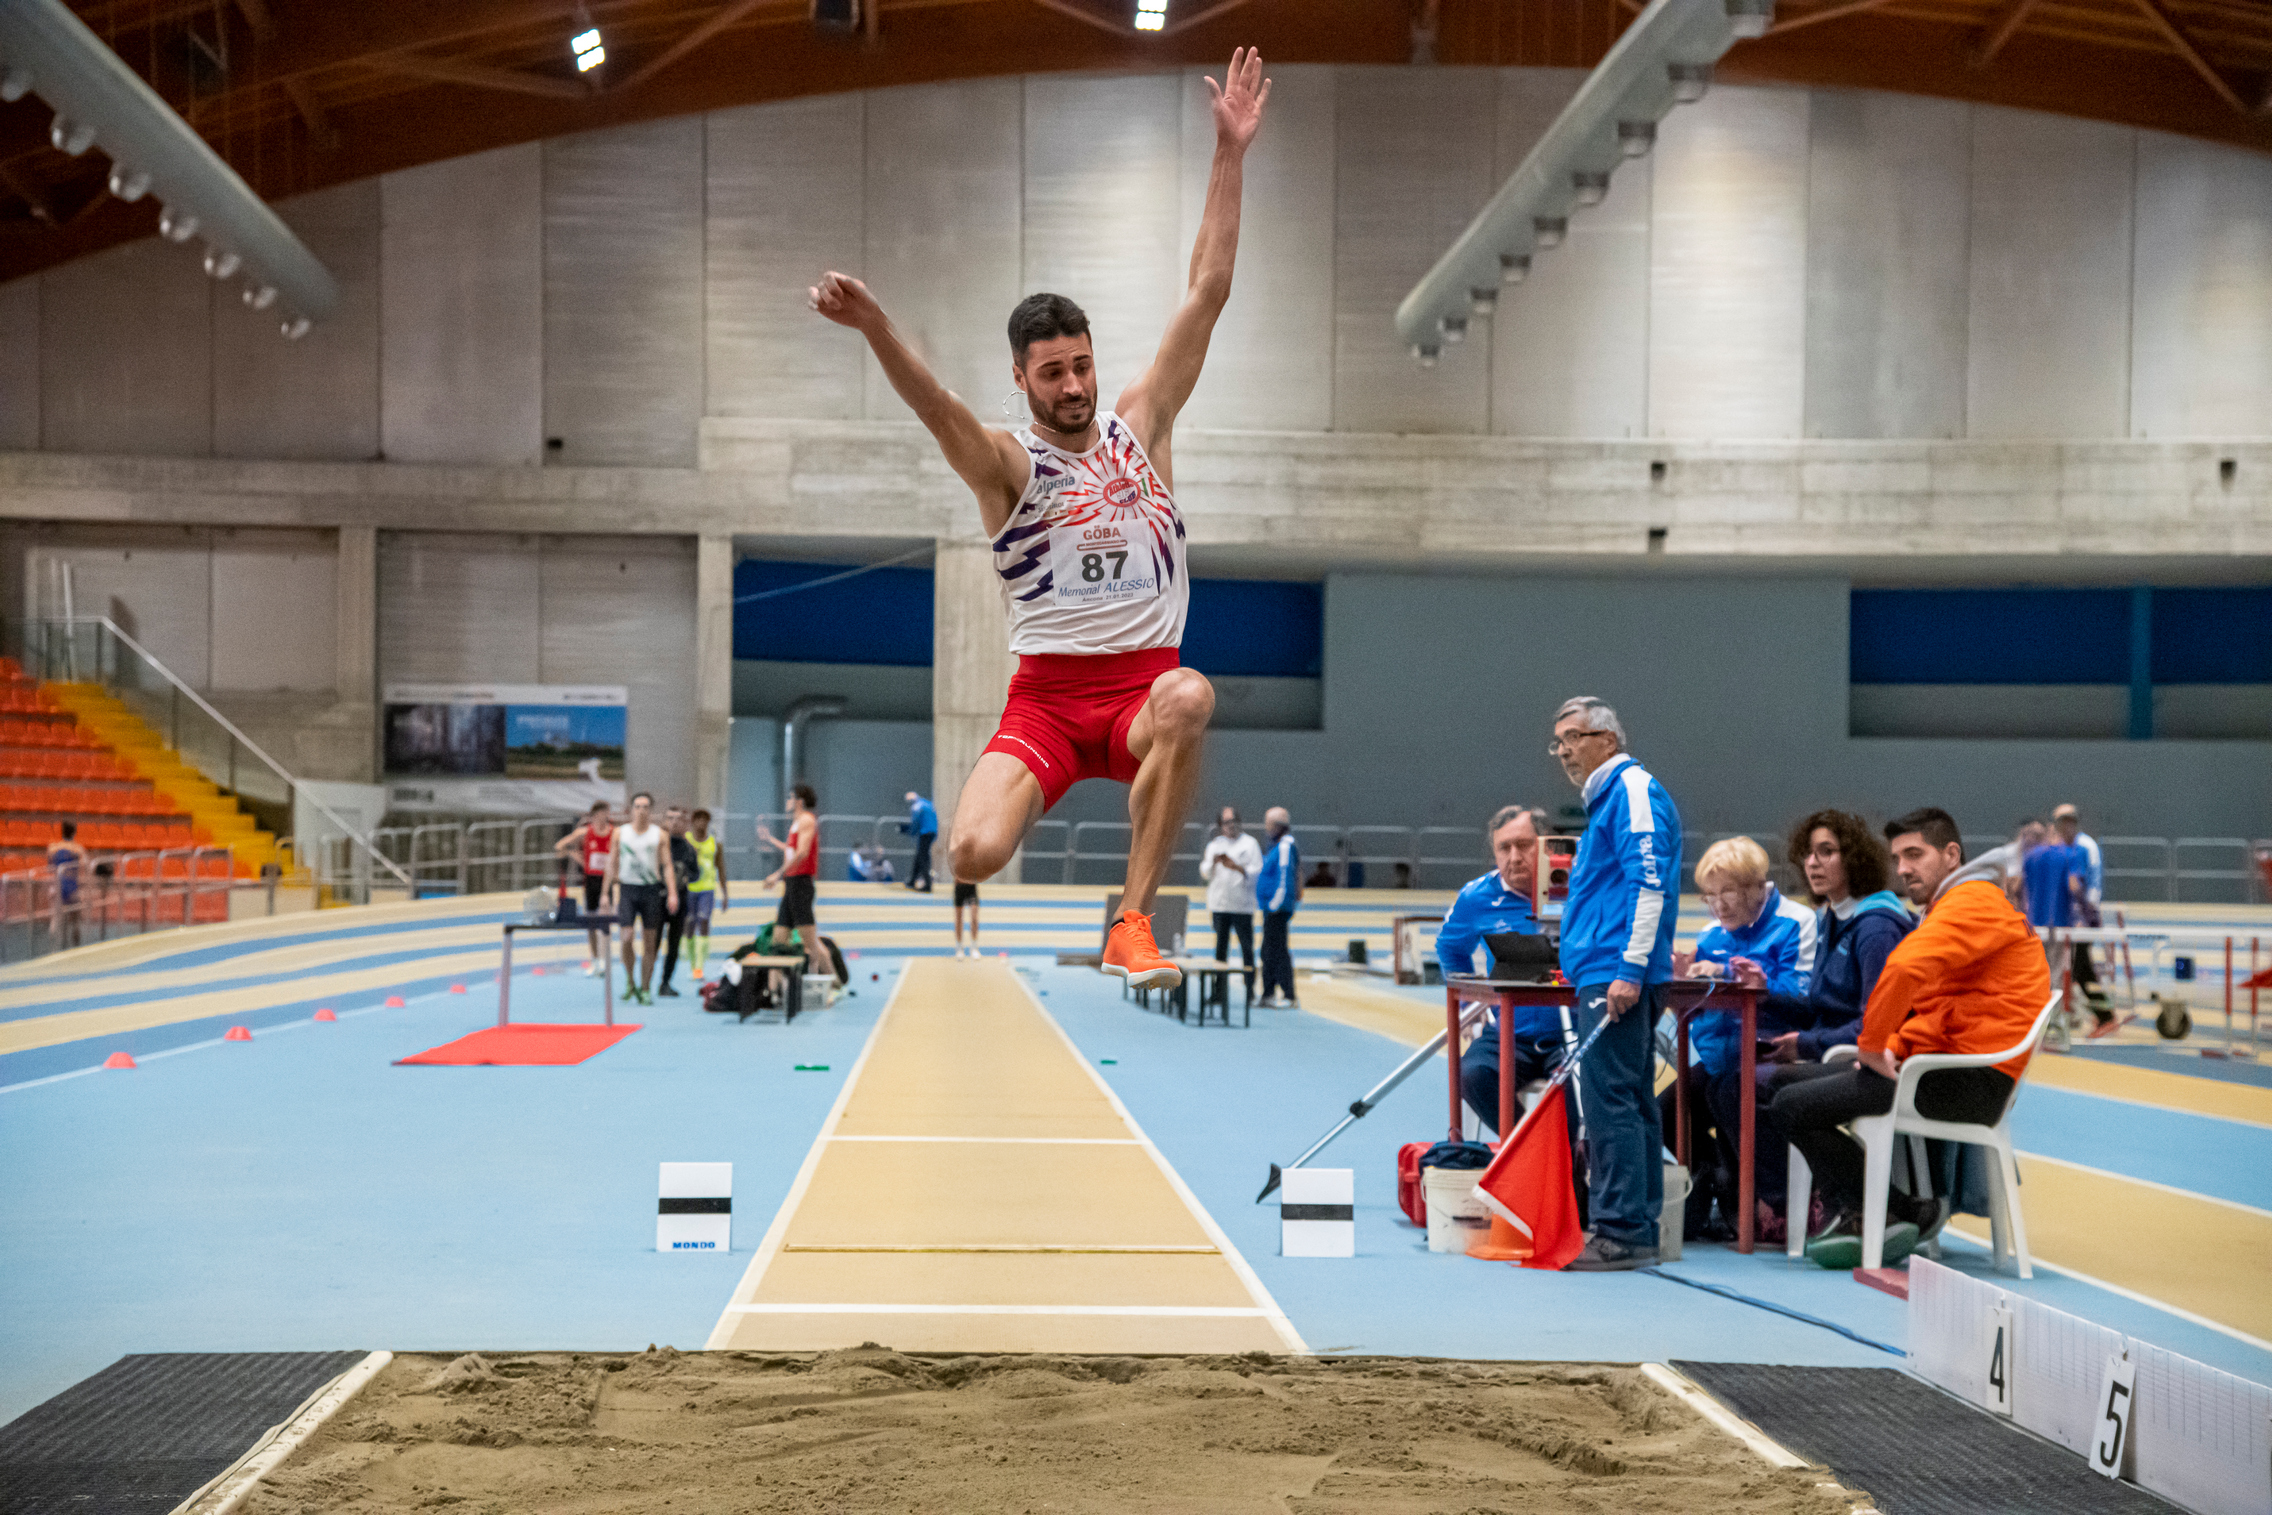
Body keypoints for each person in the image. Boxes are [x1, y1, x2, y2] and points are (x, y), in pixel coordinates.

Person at [808, 48, 1272, 993]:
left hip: (1141, 690)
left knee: (1190, 696)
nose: (1073, 385)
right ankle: (1039, 807)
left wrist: (1229, 153)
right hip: (1048, 705)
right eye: (1052, 372)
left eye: (1082, 365)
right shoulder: (1007, 467)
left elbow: (1208, 290)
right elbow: (934, 405)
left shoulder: (1144, 425)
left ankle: (1132, 922)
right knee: (970, 854)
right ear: (1021, 377)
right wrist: (876, 328)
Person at [1772, 807, 2051, 1269]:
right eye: (1898, 858)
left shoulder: (1971, 902)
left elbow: (1903, 969)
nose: (1903, 868)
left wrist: (1870, 1048)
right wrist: (1892, 1048)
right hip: (1944, 1067)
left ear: (1951, 855)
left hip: (1966, 1081)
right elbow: (1937, 1008)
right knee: (1783, 1083)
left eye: (1915, 855)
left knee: (1789, 1104)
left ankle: (1880, 1212)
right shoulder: (1957, 904)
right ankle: (1894, 1210)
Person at [1549, 696, 1682, 1272]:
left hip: (1616, 972)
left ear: (1608, 739)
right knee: (1630, 1097)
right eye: (1558, 742)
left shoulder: (1631, 791)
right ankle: (1636, 1227)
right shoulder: (1610, 799)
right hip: (1608, 967)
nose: (1564, 751)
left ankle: (1622, 1230)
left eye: (1573, 737)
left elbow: (1647, 885)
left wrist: (1629, 969)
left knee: (1609, 1101)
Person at [1662, 836, 1814, 1241]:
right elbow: (1698, 1009)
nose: (1719, 905)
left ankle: (1777, 1201)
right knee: (1664, 1112)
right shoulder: (1711, 934)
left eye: (1727, 892)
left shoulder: (1796, 922)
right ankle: (1721, 1179)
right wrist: (1681, 985)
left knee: (1728, 1094)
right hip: (1720, 1059)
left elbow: (1804, 998)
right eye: (1710, 896)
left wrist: (1750, 981)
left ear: (1756, 887)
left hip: (1774, 1051)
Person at [1436, 805, 1577, 1146]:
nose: (1514, 857)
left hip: (1574, 1030)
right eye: (1504, 848)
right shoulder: (1477, 897)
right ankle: (1530, 1153)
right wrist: (1469, 1004)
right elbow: (1450, 949)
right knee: (1470, 1075)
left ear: (1546, 846)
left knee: (1586, 1086)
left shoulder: (1581, 888)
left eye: (1524, 845)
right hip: (1510, 1033)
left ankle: (1570, 1163)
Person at [603, 792, 678, 1007]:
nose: (641, 811)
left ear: (651, 810)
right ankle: (630, 981)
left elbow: (667, 865)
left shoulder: (659, 835)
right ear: (631, 810)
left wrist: (672, 892)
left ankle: (645, 988)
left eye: (645, 807)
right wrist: (605, 893)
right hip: (628, 889)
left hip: (651, 891)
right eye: (637, 806)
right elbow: (611, 862)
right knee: (626, 937)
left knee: (650, 942)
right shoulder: (620, 833)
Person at [758, 784, 831, 976]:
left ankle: (833, 982)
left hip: (801, 884)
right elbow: (791, 850)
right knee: (779, 939)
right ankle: (775, 988)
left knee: (811, 944)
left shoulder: (807, 820)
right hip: (791, 884)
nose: (787, 801)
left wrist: (777, 874)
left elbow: (802, 853)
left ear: (799, 800)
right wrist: (770, 839)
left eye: (790, 797)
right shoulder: (796, 823)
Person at [2050, 802, 2111, 1019]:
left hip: (2081, 920)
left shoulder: (2086, 846)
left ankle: (2104, 1013)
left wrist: (2087, 916)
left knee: (2081, 967)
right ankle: (2085, 1012)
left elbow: (2093, 885)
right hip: (2062, 920)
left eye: (2071, 821)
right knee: (2072, 968)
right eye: (2062, 821)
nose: (2067, 826)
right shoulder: (2056, 847)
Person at [1199, 806, 1262, 999]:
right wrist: (1214, 862)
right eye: (1226, 822)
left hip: (1242, 906)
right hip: (1220, 905)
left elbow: (1257, 872)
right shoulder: (1215, 845)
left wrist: (1237, 867)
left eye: (1234, 821)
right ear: (1220, 825)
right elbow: (1204, 872)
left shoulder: (1250, 844)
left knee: (1247, 949)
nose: (1231, 825)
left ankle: (1250, 990)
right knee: (1220, 950)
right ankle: (1219, 991)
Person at [554, 800, 615, 974]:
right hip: (591, 881)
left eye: (606, 813)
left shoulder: (614, 833)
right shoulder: (584, 832)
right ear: (594, 815)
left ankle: (604, 959)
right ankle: (594, 960)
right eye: (601, 814)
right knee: (591, 922)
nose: (604, 817)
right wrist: (576, 855)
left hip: (607, 880)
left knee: (605, 921)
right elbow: (559, 846)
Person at [655, 806, 703, 998]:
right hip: (657, 900)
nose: (674, 822)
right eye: (670, 818)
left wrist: (685, 876)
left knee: (674, 943)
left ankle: (665, 982)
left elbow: (696, 873)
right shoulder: (657, 845)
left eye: (678, 819)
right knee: (653, 942)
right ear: (665, 821)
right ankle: (644, 982)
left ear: (685, 823)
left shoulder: (688, 848)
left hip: (680, 901)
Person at [1255, 806, 1301, 1008]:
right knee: (1269, 951)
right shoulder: (1277, 846)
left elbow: (1284, 878)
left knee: (1278, 951)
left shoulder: (1284, 847)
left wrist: (1274, 904)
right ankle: (1268, 993)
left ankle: (1288, 995)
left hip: (1277, 908)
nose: (1266, 829)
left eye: (1268, 825)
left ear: (1277, 826)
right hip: (1272, 908)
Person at [680, 808, 727, 983]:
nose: (701, 823)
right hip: (689, 888)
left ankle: (700, 967)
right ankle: (693, 964)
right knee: (689, 923)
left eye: (705, 819)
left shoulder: (715, 843)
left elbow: (721, 867)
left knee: (704, 920)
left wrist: (725, 893)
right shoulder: (686, 840)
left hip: (707, 888)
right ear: (693, 822)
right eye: (698, 819)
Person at [49, 821, 88, 949]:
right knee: (75, 919)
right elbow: (85, 865)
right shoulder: (78, 849)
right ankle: (76, 946)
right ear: (74, 833)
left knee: (57, 918)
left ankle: (55, 946)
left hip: (57, 886)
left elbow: (50, 866)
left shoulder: (53, 848)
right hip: (72, 887)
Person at [901, 791, 938, 892]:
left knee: (923, 858)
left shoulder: (916, 807)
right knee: (919, 856)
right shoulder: (927, 804)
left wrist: (907, 831)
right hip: (932, 832)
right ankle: (912, 881)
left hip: (925, 833)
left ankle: (927, 884)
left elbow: (915, 823)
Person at [954, 879, 982, 959]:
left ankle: (974, 947)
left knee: (974, 917)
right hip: (959, 886)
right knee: (959, 917)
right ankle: (959, 947)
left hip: (972, 887)